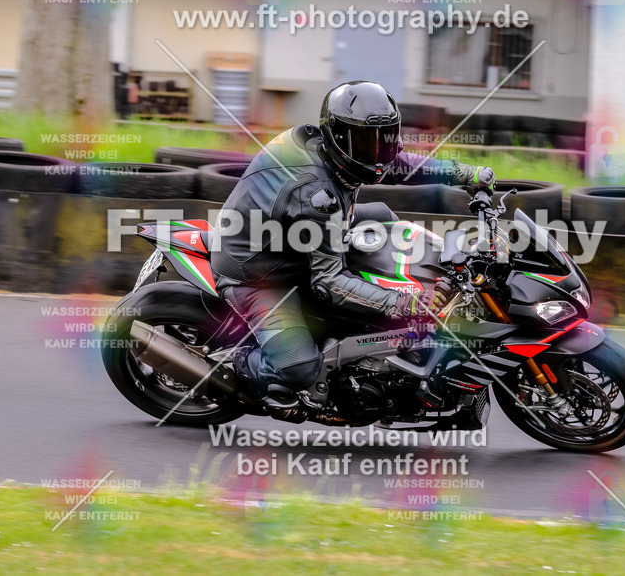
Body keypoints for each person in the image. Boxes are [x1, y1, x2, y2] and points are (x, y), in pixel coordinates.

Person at [211, 81, 495, 408]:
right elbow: (329, 281)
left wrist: (467, 174)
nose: (378, 154)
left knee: (386, 218)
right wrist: (405, 304)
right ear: (339, 136)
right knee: (300, 369)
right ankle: (240, 367)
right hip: (259, 273)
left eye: (384, 141)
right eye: (366, 142)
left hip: (298, 232)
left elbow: (401, 163)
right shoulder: (317, 197)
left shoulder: (331, 149)